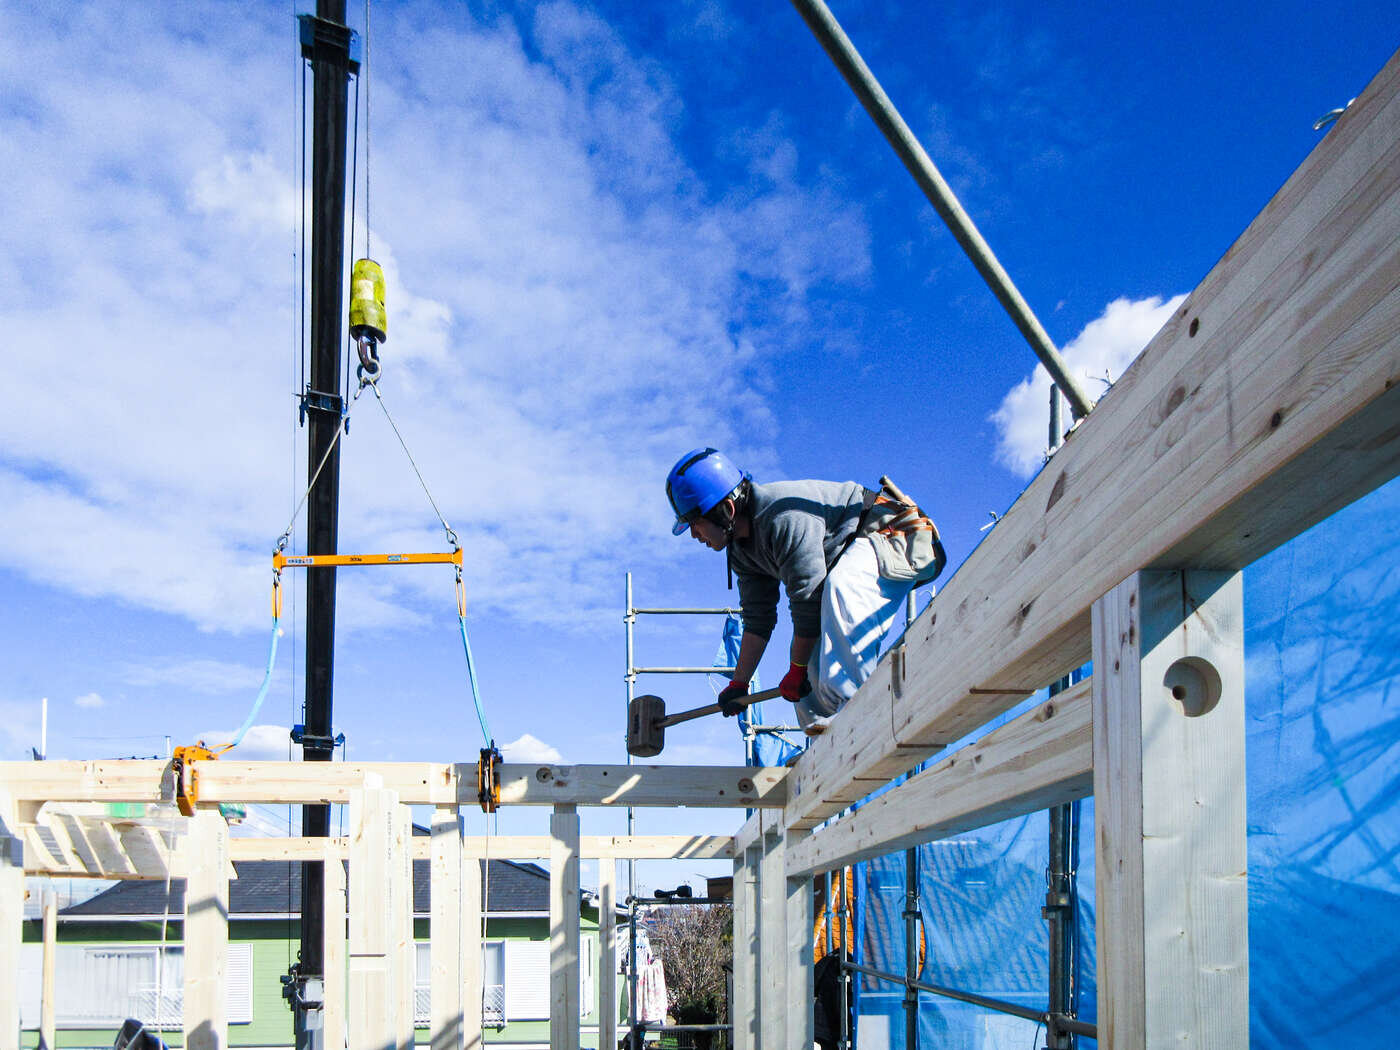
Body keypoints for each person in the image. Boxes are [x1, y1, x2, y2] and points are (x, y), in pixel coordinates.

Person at [665, 447, 918, 734]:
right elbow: (758, 619)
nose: (694, 536)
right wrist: (739, 683)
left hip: (894, 533)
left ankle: (859, 719)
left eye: (695, 524)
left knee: (835, 596)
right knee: (809, 662)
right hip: (848, 562)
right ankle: (824, 743)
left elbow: (808, 600)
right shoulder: (741, 551)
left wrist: (795, 669)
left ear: (726, 510)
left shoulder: (782, 515)